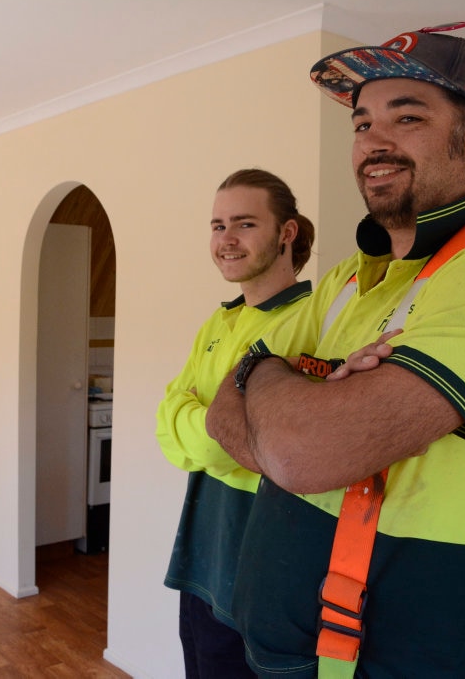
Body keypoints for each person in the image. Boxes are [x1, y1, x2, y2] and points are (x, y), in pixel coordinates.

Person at [206, 24, 465, 678]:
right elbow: (222, 417)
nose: (374, 142)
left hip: (396, 660)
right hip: (281, 650)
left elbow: (301, 454)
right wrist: (290, 400)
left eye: (407, 116)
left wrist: (271, 374)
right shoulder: (345, 281)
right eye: (362, 124)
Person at [156, 168, 316, 678]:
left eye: (244, 224)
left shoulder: (309, 323)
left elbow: (222, 445)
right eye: (218, 225)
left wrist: (197, 423)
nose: (226, 240)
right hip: (203, 550)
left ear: (286, 233)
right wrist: (206, 425)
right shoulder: (219, 321)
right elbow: (170, 421)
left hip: (264, 555)